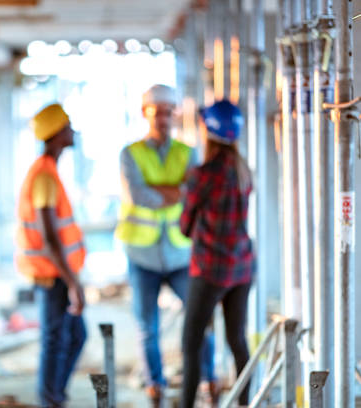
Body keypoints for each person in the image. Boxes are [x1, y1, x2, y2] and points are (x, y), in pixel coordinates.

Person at [115, 84, 217, 406]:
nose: (163, 117)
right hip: (141, 253)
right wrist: (174, 190)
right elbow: (138, 196)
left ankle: (208, 378)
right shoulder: (130, 153)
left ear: (175, 113)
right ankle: (155, 385)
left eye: (167, 111)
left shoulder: (188, 153)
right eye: (156, 111)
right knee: (147, 327)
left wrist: (160, 189)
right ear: (145, 113)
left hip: (179, 252)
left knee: (201, 319)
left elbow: (192, 192)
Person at [180, 100, 255, 407]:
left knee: (191, 342)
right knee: (237, 340)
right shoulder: (243, 170)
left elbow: (185, 226)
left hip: (210, 268)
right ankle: (244, 403)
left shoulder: (202, 174)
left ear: (208, 132)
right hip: (242, 268)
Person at [15, 103, 87, 408]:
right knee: (56, 341)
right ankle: (50, 399)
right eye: (68, 125)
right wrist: (73, 283)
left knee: (73, 337)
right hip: (51, 273)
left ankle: (55, 396)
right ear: (56, 133)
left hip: (56, 271)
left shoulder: (48, 171)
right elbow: (49, 238)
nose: (72, 130)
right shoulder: (44, 174)